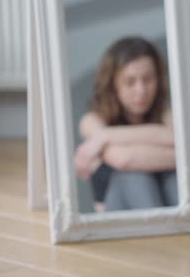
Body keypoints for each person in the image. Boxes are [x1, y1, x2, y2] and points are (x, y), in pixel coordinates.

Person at [74, 36, 178, 212]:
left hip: (164, 211)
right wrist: (164, 147)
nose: (141, 90)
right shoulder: (92, 121)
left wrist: (106, 136)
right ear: (113, 85)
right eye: (130, 82)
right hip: (119, 224)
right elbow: (123, 159)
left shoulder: (166, 115)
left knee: (173, 180)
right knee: (134, 177)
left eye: (148, 79)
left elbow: (180, 145)